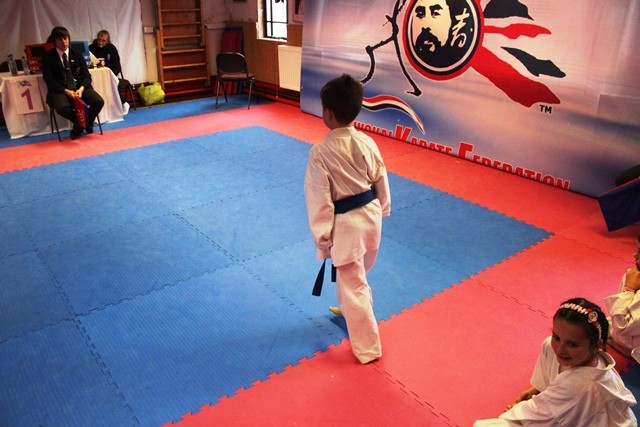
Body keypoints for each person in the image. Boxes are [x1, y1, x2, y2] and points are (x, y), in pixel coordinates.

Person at [304, 74, 391, 364]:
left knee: (354, 285)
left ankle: (368, 349)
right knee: (356, 275)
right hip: (372, 219)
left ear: (327, 113)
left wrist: (323, 238)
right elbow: (380, 177)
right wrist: (384, 208)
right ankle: (349, 308)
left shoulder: (320, 153)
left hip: (348, 228)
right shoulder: (367, 141)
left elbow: (319, 200)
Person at [474, 298, 637, 426]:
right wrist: (535, 391)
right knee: (548, 346)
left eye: (572, 344)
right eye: (557, 337)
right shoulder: (555, 349)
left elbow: (533, 417)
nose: (560, 349)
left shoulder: (581, 385)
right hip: (568, 403)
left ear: (596, 346)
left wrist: (515, 412)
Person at [43, 26, 104, 140]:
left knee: (98, 101)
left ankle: (87, 123)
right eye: (60, 39)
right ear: (54, 41)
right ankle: (79, 123)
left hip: (79, 87)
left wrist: (81, 89)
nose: (63, 42)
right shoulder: (48, 57)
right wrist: (66, 91)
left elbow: (86, 76)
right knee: (61, 108)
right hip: (61, 89)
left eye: (65, 38)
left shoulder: (77, 54)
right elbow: (49, 80)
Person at [605, 234, 640, 362]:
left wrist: (628, 290)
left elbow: (621, 327)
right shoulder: (634, 274)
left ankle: (627, 350)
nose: (634, 255)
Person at [89, 30, 130, 103]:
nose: (100, 42)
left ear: (108, 41)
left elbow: (117, 66)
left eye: (103, 41)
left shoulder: (112, 49)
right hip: (95, 77)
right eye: (99, 40)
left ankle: (121, 103)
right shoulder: (91, 48)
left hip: (110, 76)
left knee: (112, 85)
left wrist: (110, 75)